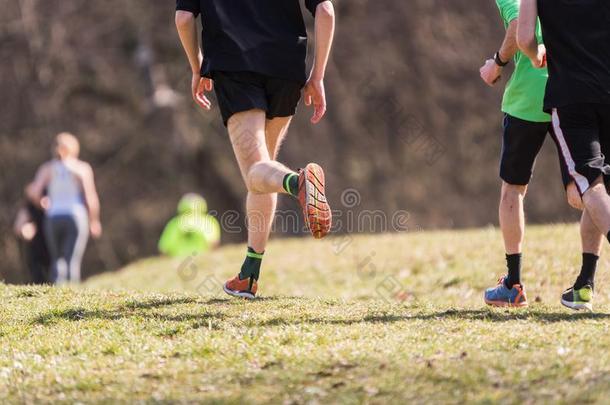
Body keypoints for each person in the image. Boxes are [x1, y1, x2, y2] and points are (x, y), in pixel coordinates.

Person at [175, 0, 336, 299]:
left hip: (233, 64)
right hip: (286, 67)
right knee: (264, 171)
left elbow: (184, 18)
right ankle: (249, 275)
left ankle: (298, 182)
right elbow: (325, 10)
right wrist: (318, 76)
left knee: (255, 172)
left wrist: (196, 67)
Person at [479, 0, 604, 308]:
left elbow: (517, 29)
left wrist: (497, 62)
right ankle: (586, 282)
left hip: (535, 96)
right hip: (587, 89)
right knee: (589, 187)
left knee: (513, 188)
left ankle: (513, 283)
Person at [518, 0, 610, 311]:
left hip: (572, 95)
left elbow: (525, 38)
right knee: (600, 190)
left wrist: (535, 55)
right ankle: (585, 282)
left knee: (590, 185)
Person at [26, 132, 102, 284]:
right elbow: (90, 198)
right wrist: (94, 220)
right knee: (72, 258)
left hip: (53, 216)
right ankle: (72, 292)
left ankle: (58, 289)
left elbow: (33, 191)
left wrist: (42, 202)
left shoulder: (47, 168)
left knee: (57, 258)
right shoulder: (81, 168)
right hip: (75, 216)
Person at [158, 193, 221, 258]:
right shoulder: (208, 221)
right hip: (202, 255)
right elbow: (214, 243)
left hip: (177, 257)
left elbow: (164, 248)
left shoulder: (175, 223)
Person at [13, 199, 51, 284]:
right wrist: (25, 229)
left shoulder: (53, 205)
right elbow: (18, 228)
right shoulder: (29, 208)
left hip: (50, 247)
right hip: (36, 247)